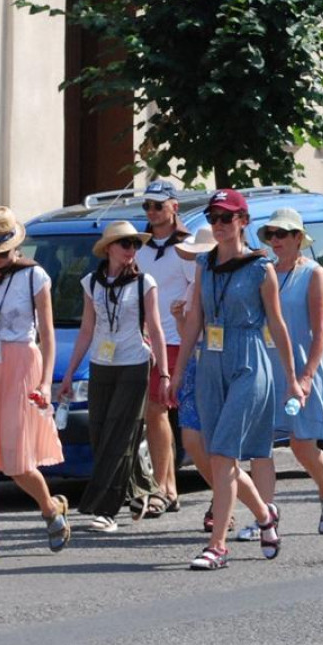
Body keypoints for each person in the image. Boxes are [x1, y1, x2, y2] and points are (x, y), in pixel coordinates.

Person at [168, 189, 303, 571]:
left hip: (248, 362)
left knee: (224, 453)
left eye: (227, 218)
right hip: (210, 362)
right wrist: (177, 373)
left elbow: (277, 326)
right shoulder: (205, 265)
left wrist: (293, 380)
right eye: (214, 218)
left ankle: (218, 546)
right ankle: (264, 515)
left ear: (243, 221)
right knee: (217, 456)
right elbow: (195, 319)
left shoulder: (261, 269)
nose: (219, 225)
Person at [235, 208, 323, 542]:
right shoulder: (261, 270)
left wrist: (309, 375)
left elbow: (321, 329)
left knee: (302, 445)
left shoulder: (312, 273)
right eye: (271, 234)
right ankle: (265, 515)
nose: (276, 240)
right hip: (265, 369)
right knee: (260, 447)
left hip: (299, 369)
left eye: (283, 234)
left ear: (299, 238)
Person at [59, 221, 169, 533]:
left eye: (135, 244)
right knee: (99, 432)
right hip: (101, 363)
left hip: (134, 363)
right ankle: (144, 489)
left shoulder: (144, 283)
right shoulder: (90, 284)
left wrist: (163, 372)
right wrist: (68, 374)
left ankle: (105, 510)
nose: (131, 250)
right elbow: (86, 331)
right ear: (109, 249)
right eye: (125, 244)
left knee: (119, 433)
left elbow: (157, 330)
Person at [0, 206, 70, 561]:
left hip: (21, 364)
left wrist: (47, 382)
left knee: (17, 461)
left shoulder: (36, 277)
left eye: (1, 253)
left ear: (15, 247)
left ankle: (50, 509)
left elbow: (47, 335)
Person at [134, 179, 196, 518]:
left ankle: (168, 488)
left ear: (174, 206)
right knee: (155, 414)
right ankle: (165, 487)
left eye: (158, 205)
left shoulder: (186, 247)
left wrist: (184, 315)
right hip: (150, 344)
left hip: (180, 341)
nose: (152, 212)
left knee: (179, 417)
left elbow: (196, 292)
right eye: (147, 206)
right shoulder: (140, 248)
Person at [171, 228, 226, 532]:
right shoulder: (194, 282)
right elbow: (188, 336)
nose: (197, 260)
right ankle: (221, 496)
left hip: (220, 362)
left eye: (201, 255)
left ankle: (223, 504)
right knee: (191, 438)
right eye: (195, 256)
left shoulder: (227, 280)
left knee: (217, 442)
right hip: (196, 363)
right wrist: (181, 319)